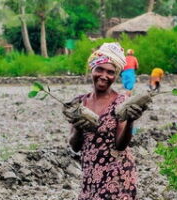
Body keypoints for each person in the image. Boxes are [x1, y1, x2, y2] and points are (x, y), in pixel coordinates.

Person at [65, 43, 149, 200]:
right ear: (92, 69)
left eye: (110, 72)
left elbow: (120, 145)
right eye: (100, 69)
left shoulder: (122, 102)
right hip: (90, 177)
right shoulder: (79, 103)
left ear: (116, 76)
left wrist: (130, 121)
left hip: (117, 175)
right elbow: (75, 146)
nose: (104, 76)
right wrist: (77, 128)